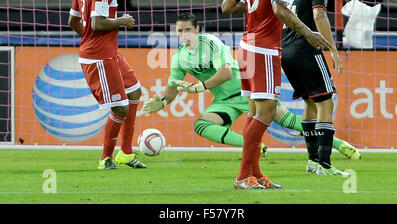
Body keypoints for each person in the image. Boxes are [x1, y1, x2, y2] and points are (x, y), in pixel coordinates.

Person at [142, 13, 361, 161]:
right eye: (179, 31)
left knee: (291, 122)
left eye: (187, 30)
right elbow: (173, 87)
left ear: (197, 29)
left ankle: (340, 144)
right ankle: (253, 145)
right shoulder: (179, 57)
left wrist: (199, 87)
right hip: (225, 102)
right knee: (201, 125)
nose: (183, 35)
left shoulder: (211, 43)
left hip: (248, 91)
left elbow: (226, 72)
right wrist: (161, 102)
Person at [221, 0, 333, 189]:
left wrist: (254, 6)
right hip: (264, 48)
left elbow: (227, 6)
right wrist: (309, 33)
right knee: (267, 112)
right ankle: (242, 176)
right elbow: (279, 9)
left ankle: (256, 175)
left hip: (246, 45)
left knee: (254, 111)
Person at [68, 0, 146, 170]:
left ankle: (127, 153)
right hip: (99, 57)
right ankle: (106, 158)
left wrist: (88, 38)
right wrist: (123, 19)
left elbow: (73, 21)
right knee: (120, 108)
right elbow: (97, 23)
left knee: (134, 92)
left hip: (109, 53)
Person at [283, 0, 350, 175]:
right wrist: (332, 49)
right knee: (325, 102)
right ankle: (324, 163)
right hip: (306, 48)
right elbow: (319, 14)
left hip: (285, 51)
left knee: (310, 103)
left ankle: (312, 162)